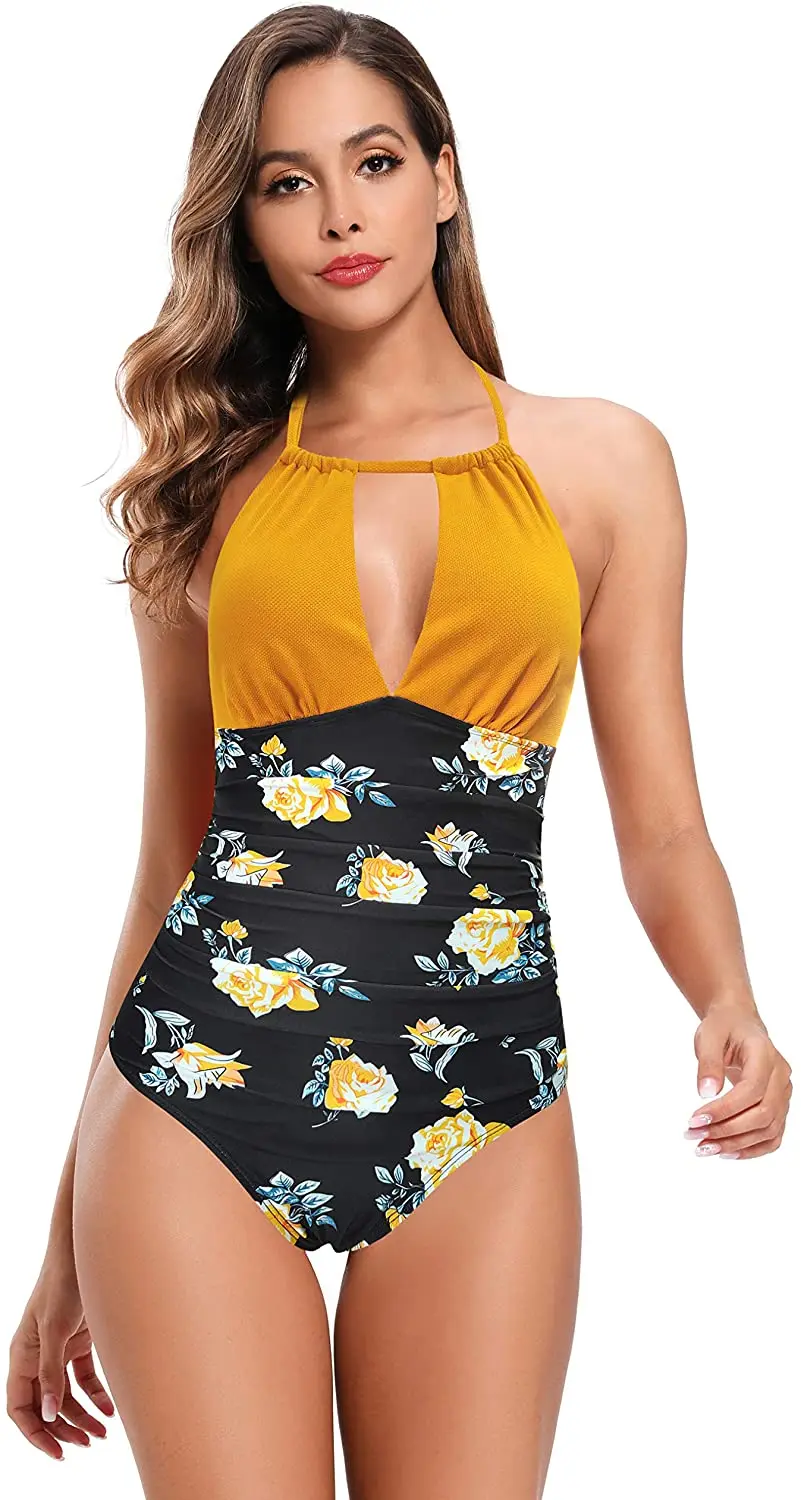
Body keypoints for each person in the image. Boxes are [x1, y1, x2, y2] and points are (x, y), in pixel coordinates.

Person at [6, 7, 793, 1496]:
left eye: (374, 162)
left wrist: (728, 995)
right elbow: (168, 861)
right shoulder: (205, 492)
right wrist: (61, 1238)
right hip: (195, 1097)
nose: (340, 215)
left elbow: (664, 823)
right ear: (244, 224)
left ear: (445, 177)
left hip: (484, 1094)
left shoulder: (604, 462)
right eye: (287, 182)